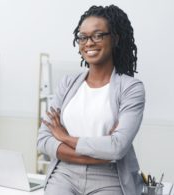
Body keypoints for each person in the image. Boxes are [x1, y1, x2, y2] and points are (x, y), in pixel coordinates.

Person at [37, 5, 145, 195]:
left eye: (97, 35)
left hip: (109, 177)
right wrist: (101, 154)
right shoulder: (68, 84)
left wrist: (64, 137)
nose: (89, 43)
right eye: (83, 37)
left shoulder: (131, 88)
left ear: (115, 39)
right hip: (64, 173)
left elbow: (117, 148)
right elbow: (43, 139)